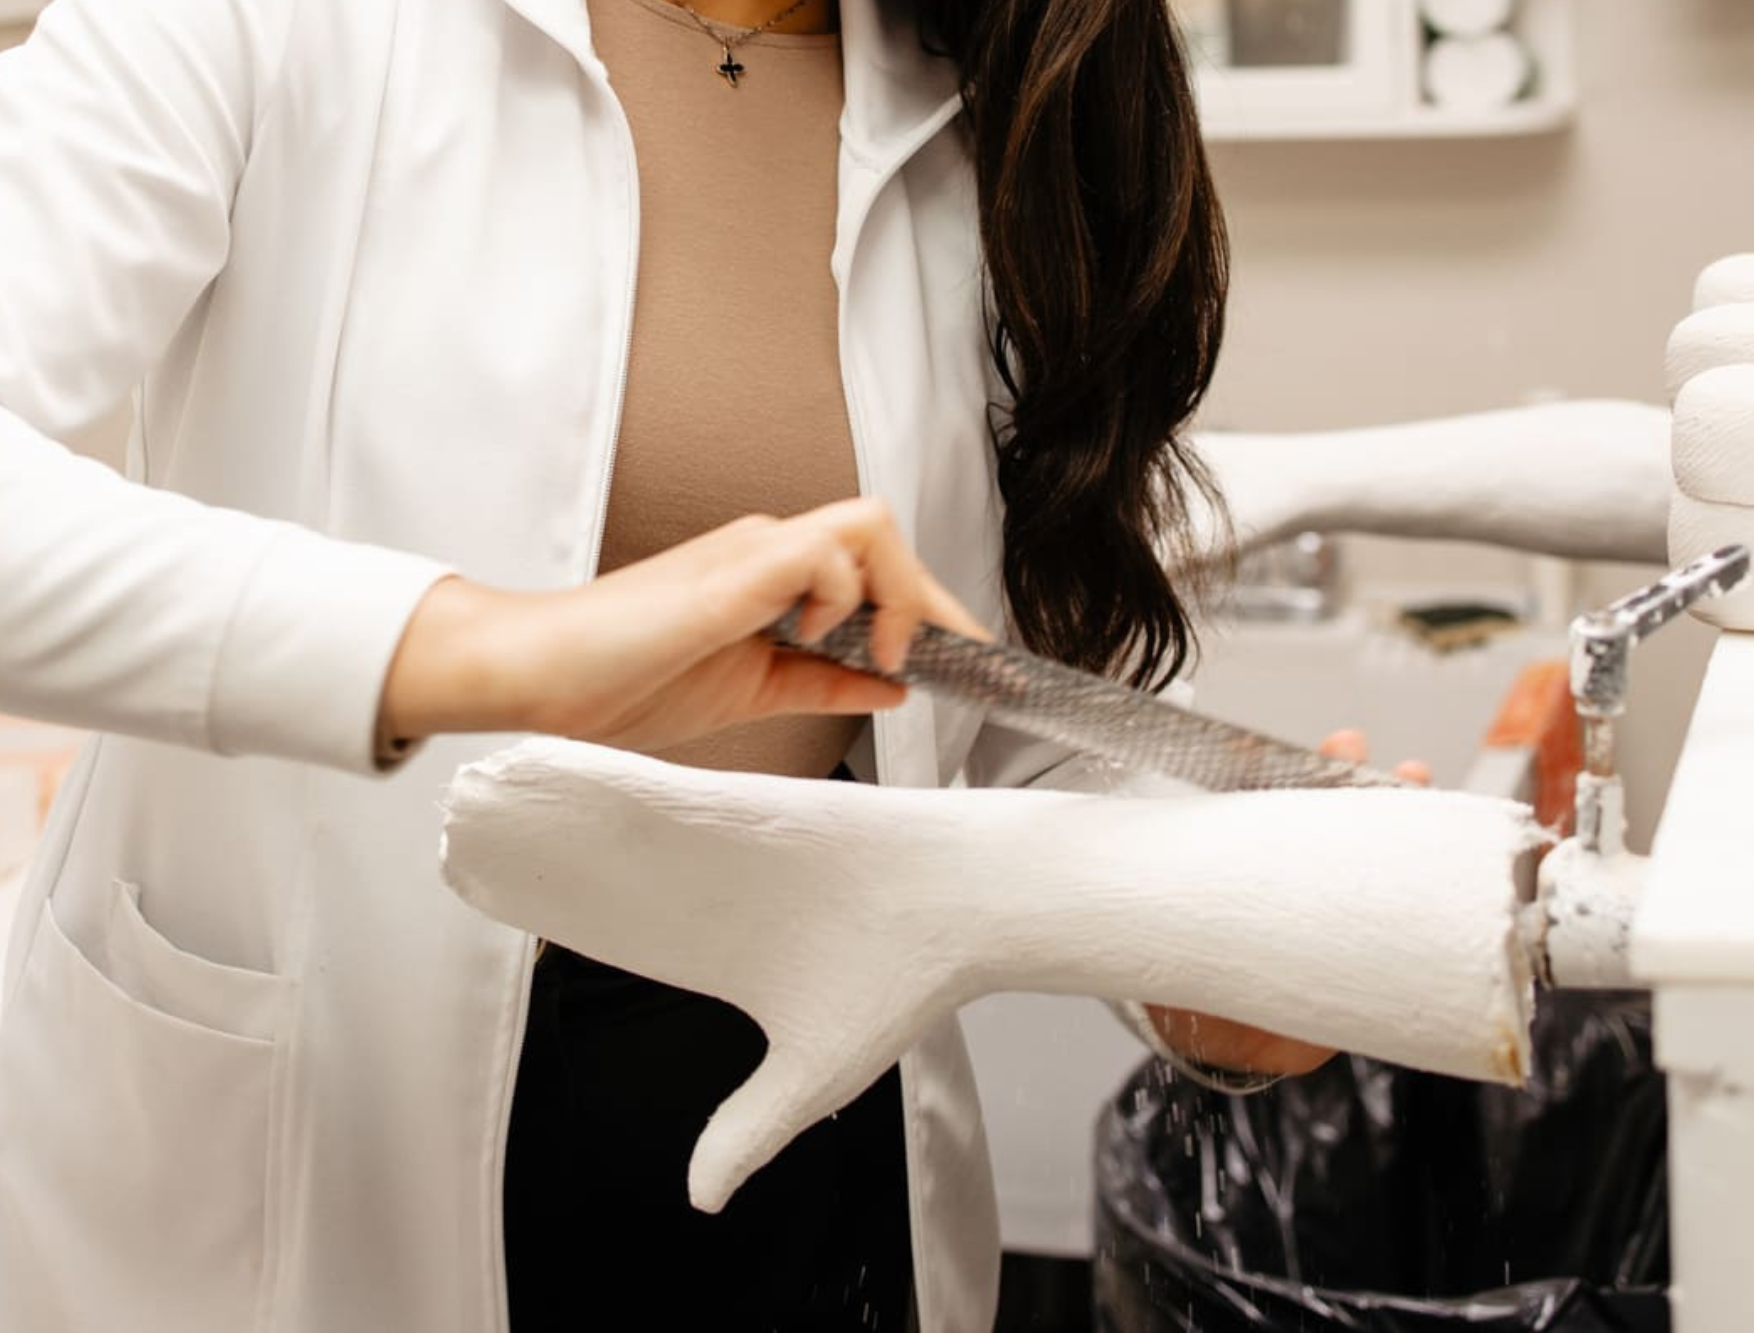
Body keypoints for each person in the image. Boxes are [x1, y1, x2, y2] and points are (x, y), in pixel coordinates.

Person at [0, 0, 1414, 1326]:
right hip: (312, 1136)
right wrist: (490, 648)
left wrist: (1209, 933)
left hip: (799, 1149)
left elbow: (1003, 715)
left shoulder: (1000, 90)